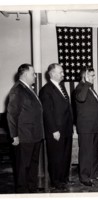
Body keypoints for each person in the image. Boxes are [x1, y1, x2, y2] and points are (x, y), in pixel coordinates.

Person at [7, 63, 44, 193]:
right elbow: (12, 115)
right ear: (26, 74)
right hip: (24, 136)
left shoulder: (27, 88)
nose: (35, 76)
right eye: (33, 73)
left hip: (34, 135)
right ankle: (22, 192)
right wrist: (14, 135)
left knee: (33, 165)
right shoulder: (17, 90)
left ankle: (32, 189)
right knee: (23, 167)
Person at [39, 63, 74, 190]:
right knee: (56, 156)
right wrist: (54, 130)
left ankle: (64, 179)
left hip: (66, 129)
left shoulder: (62, 87)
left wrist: (71, 126)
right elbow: (47, 112)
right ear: (52, 74)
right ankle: (56, 181)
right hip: (56, 130)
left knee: (65, 155)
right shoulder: (46, 90)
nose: (63, 74)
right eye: (60, 72)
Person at [75, 68, 98, 187]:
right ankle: (84, 177)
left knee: (93, 153)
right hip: (86, 128)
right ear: (84, 77)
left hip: (94, 127)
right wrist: (86, 82)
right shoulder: (80, 88)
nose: (93, 78)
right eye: (91, 76)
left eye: (93, 76)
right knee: (86, 153)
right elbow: (81, 98)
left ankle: (92, 174)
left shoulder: (90, 89)